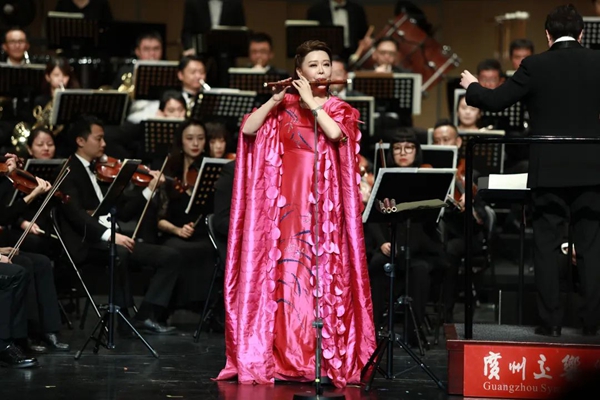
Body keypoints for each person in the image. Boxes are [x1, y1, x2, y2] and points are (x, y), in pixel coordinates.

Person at [216, 40, 375, 387]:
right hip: (287, 206)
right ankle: (284, 356)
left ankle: (319, 358)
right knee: (289, 277)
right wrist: (275, 99)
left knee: (322, 276)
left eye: (325, 64)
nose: (321, 71)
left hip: (324, 207)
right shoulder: (284, 105)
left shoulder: (340, 108)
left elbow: (337, 135)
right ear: (299, 71)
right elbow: (248, 130)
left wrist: (313, 105)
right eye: (313, 65)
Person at [460, 4, 600, 338]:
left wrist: (473, 86)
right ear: (581, 33)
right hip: (592, 169)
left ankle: (550, 323)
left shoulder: (535, 65)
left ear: (548, 35)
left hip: (548, 171)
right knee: (592, 247)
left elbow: (494, 101)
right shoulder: (598, 61)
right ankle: (592, 323)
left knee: (546, 248)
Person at [57, 115, 182, 334]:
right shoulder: (68, 171)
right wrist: (110, 236)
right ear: (80, 141)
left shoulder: (102, 169)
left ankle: (144, 316)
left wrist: (149, 189)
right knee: (119, 253)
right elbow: (76, 215)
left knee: (170, 256)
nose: (104, 144)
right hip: (88, 243)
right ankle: (124, 321)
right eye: (99, 138)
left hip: (114, 239)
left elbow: (124, 213)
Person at [366, 130, 448, 345]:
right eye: (397, 148)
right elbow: (373, 217)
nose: (403, 153)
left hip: (419, 247)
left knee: (420, 269)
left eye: (409, 148)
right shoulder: (384, 177)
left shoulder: (427, 179)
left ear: (416, 151)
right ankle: (373, 330)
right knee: (376, 263)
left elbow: (428, 224)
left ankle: (413, 333)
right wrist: (382, 242)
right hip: (390, 245)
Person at [156, 118, 216, 310]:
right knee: (176, 250)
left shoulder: (211, 170)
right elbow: (159, 219)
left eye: (200, 138)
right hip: (174, 232)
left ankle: (203, 310)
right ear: (181, 142)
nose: (195, 143)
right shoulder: (170, 170)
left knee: (210, 250)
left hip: (201, 232)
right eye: (190, 138)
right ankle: (169, 308)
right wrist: (177, 230)